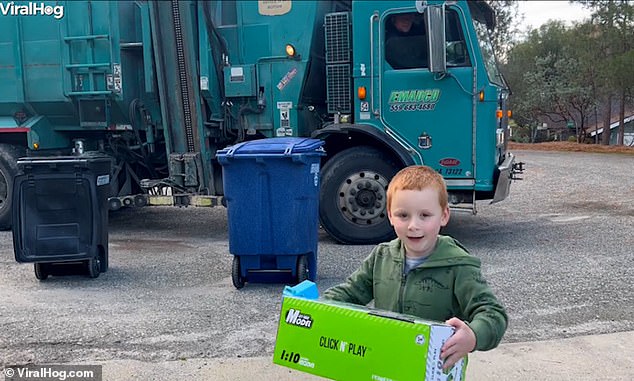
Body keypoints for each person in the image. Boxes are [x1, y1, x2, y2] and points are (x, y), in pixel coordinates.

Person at [323, 165, 507, 370]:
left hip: (436, 368)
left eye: (425, 215)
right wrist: (317, 306)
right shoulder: (382, 256)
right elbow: (350, 292)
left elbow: (493, 313)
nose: (413, 225)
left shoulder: (459, 265)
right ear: (390, 215)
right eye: (403, 215)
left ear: (444, 215)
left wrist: (473, 335)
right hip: (387, 363)